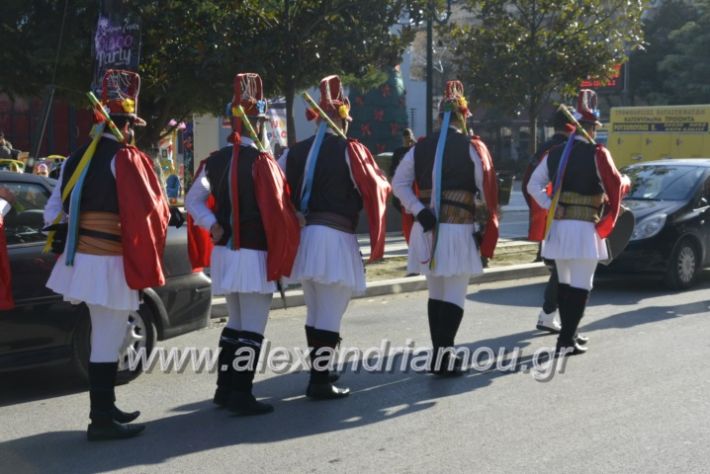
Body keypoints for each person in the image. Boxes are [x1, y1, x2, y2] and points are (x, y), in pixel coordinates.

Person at [43, 69, 172, 441]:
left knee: (106, 334)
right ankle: (100, 419)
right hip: (109, 259)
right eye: (131, 124)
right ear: (127, 125)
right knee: (107, 337)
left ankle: (105, 408)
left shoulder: (74, 159)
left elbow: (52, 213)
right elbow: (149, 209)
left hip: (83, 259)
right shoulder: (126, 158)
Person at [186, 73, 300, 415]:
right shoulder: (263, 162)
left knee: (235, 322)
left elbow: (193, 200)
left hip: (225, 253)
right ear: (259, 123)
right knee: (252, 325)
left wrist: (212, 224)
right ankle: (241, 394)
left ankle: (225, 389)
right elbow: (277, 215)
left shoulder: (215, 160)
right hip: (253, 254)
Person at [279, 75, 390, 399]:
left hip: (308, 237)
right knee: (329, 310)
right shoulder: (349, 150)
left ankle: (322, 371)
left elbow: (276, 191)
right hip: (334, 237)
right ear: (341, 117)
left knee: (316, 308)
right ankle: (320, 380)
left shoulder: (293, 153)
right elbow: (375, 186)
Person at [392, 81, 499, 376]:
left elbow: (398, 184)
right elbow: (484, 187)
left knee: (436, 292)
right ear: (463, 116)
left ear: (440, 117)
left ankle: (440, 356)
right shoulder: (471, 147)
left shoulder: (419, 147)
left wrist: (419, 210)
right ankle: (443, 356)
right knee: (453, 292)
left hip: (426, 228)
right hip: (457, 228)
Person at [527, 89, 630, 355]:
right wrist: (627, 182)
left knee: (564, 282)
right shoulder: (598, 154)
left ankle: (568, 335)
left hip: (560, 227)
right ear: (592, 128)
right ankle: (565, 341)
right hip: (584, 228)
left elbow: (532, 185)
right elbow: (616, 185)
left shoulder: (556, 152)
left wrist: (551, 206)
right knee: (582, 285)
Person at [521, 107, 575, 334]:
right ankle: (548, 314)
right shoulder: (560, 150)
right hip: (561, 215)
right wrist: (551, 207)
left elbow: (528, 184)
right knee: (563, 268)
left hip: (548, 214)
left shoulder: (544, 148)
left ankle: (552, 314)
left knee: (562, 268)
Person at [389, 128, 417, 243]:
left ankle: (413, 224)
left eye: (409, 136)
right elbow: (393, 167)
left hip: (414, 182)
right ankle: (409, 222)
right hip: (402, 182)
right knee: (396, 202)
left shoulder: (415, 149)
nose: (407, 139)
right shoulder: (398, 151)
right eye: (405, 137)